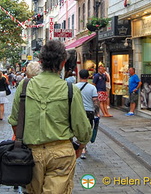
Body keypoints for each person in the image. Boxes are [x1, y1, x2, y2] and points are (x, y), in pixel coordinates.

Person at [8, 40, 91, 194]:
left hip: (32, 155)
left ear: (40, 62)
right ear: (63, 62)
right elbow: (83, 128)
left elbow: (14, 122)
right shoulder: (70, 89)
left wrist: (27, 139)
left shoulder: (24, 85)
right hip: (62, 153)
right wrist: (80, 146)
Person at [75, 69, 99, 159]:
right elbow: (95, 101)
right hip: (89, 112)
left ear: (79, 76)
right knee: (88, 130)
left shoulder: (75, 87)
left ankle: (82, 146)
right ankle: (83, 147)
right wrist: (97, 113)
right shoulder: (92, 88)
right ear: (88, 77)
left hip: (78, 111)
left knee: (80, 130)